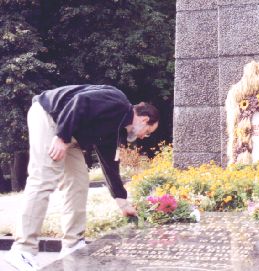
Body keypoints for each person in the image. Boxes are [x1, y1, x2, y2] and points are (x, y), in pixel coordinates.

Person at [5, 85, 159, 271]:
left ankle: (73, 245)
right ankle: (22, 250)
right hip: (50, 117)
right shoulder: (118, 101)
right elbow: (80, 102)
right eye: (148, 132)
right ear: (144, 119)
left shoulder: (115, 130)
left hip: (71, 134)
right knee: (43, 179)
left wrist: (122, 201)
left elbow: (110, 164)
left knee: (78, 183)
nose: (144, 137)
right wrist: (61, 138)